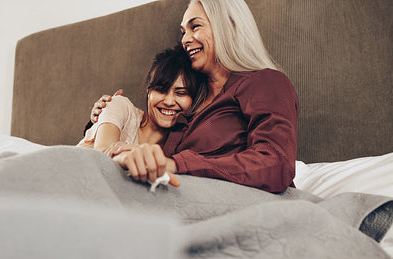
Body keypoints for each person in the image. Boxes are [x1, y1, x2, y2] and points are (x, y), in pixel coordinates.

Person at [89, 0, 299, 193]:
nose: (185, 40)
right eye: (183, 32)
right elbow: (147, 127)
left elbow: (276, 162)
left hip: (238, 203)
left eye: (195, 26)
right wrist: (106, 115)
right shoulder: (194, 99)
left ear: (230, 25)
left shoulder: (265, 81)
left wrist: (176, 164)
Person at [78, 45, 207, 187]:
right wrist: (126, 155)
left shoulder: (178, 151)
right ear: (148, 90)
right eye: (161, 90)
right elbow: (101, 155)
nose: (169, 102)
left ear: (193, 99)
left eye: (181, 93)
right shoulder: (120, 105)